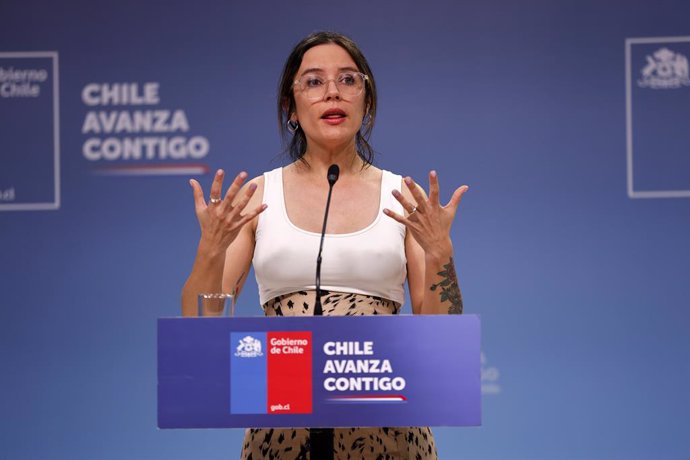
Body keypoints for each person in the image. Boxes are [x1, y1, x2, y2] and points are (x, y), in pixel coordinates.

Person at [181, 31, 467, 460]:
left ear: (366, 102)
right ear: (290, 107)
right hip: (282, 437)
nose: (333, 92)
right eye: (313, 81)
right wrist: (210, 248)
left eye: (349, 80)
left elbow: (443, 335)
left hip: (389, 437)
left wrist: (442, 254)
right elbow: (199, 329)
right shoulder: (258, 197)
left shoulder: (401, 198)